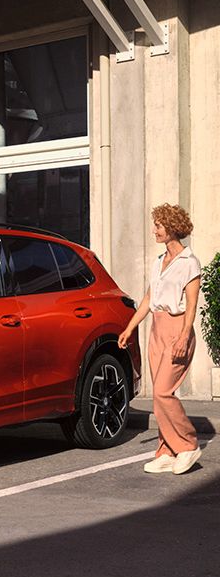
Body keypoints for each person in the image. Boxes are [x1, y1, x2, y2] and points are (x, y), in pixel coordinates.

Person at [118, 204, 202, 475]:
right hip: (157, 330)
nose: (154, 230)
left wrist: (184, 336)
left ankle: (188, 444)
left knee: (165, 391)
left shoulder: (189, 263)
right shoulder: (158, 262)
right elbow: (148, 299)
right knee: (159, 395)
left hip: (178, 329)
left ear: (172, 228)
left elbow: (191, 305)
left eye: (159, 225)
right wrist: (130, 328)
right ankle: (166, 451)